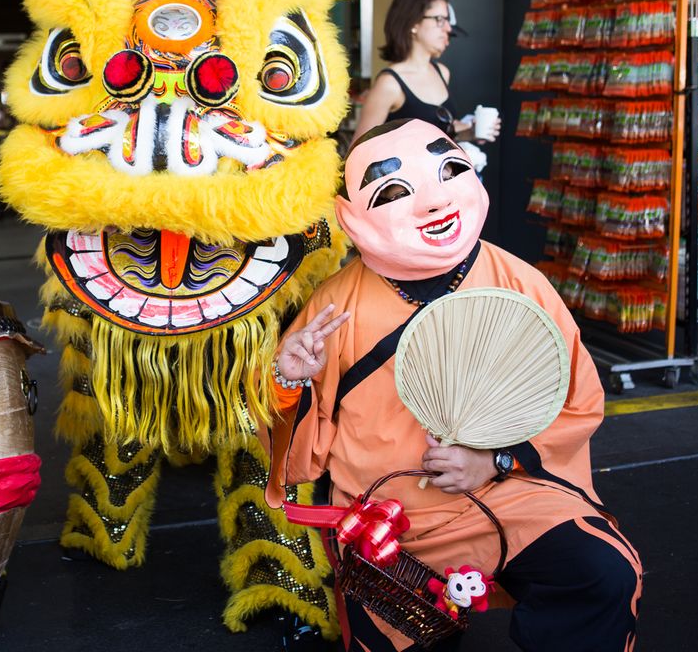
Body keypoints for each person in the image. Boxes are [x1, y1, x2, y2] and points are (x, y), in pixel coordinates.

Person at [266, 119, 642, 651]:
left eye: (450, 170)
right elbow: (299, 458)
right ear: (350, 216)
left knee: (601, 572)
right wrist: (287, 380)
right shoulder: (333, 311)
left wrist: (497, 460)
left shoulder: (520, 282)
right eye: (395, 192)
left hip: (514, 495)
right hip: (391, 518)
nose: (434, 203)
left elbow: (576, 401)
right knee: (394, 635)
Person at [351, 0, 501, 146]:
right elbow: (359, 148)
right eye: (440, 20)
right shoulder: (390, 83)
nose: (448, 29)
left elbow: (439, 135)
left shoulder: (442, 72)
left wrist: (469, 133)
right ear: (413, 23)